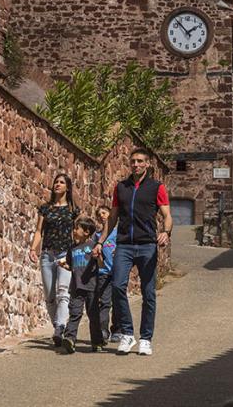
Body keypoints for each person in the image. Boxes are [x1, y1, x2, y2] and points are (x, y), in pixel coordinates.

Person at [94, 146, 171, 356]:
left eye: (140, 161)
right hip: (124, 245)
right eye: (133, 161)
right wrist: (100, 242)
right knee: (118, 286)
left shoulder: (156, 187)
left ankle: (146, 338)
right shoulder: (121, 188)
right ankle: (127, 334)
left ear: (147, 164)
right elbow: (112, 218)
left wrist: (166, 232)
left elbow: (167, 215)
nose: (136, 164)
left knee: (148, 293)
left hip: (147, 245)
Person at [29, 172, 79, 345]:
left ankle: (60, 327)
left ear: (67, 187)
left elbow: (78, 233)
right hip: (47, 254)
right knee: (50, 296)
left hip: (65, 254)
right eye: (56, 182)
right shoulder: (45, 208)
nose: (57, 184)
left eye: (61, 182)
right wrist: (33, 248)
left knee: (63, 292)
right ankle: (57, 326)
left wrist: (78, 253)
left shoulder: (73, 210)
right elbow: (39, 231)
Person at [57, 216, 106, 353]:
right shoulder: (72, 248)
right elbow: (71, 266)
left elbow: (101, 265)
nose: (74, 231)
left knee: (93, 315)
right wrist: (64, 265)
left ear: (86, 232)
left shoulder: (93, 246)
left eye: (77, 228)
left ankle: (97, 342)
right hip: (76, 287)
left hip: (91, 287)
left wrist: (98, 257)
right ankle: (70, 339)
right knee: (75, 313)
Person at [94, 203, 120, 342]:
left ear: (111, 215)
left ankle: (117, 329)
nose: (101, 216)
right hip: (103, 272)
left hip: (117, 271)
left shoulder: (117, 233)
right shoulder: (97, 236)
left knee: (118, 301)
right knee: (104, 302)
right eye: (99, 215)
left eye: (104, 213)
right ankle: (103, 330)